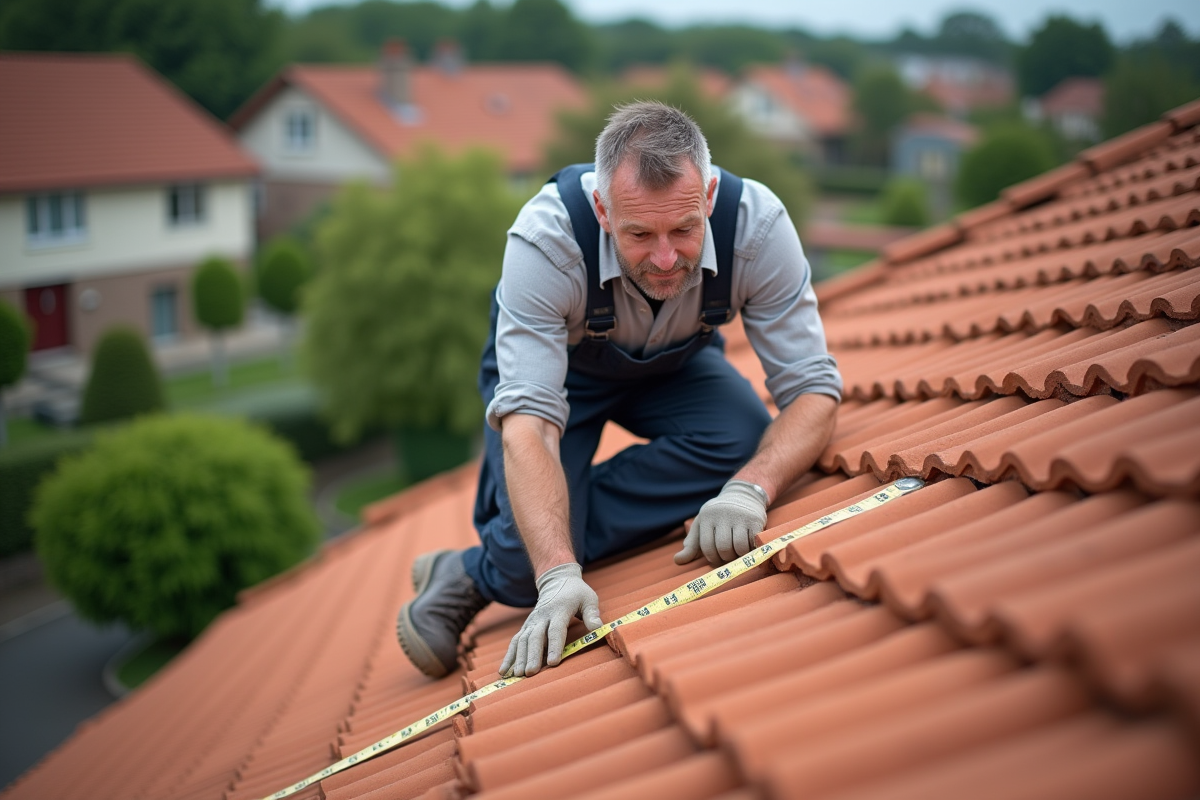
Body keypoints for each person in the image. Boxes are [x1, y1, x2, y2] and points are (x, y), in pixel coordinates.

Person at [396, 101, 841, 680]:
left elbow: (813, 387)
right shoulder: (545, 241)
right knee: (525, 558)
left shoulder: (756, 226)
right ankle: (473, 573)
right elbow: (529, 425)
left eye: (684, 229)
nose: (665, 258)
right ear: (603, 210)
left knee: (745, 441)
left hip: (676, 369)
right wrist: (557, 573)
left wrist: (751, 490)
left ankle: (536, 537)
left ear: (707, 198)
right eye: (639, 234)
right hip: (565, 377)